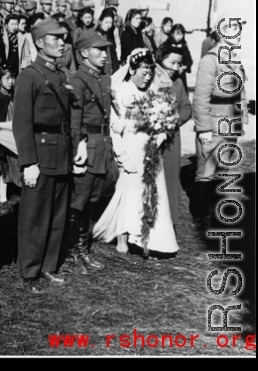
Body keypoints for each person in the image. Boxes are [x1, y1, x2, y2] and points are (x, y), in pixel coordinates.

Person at [93, 48, 179, 260]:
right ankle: (123, 240)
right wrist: (123, 156)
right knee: (128, 192)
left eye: (150, 72)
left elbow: (161, 118)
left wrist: (160, 135)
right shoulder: (122, 91)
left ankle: (149, 239)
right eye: (143, 71)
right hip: (130, 148)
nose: (147, 76)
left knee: (151, 192)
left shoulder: (152, 92)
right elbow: (115, 128)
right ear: (131, 69)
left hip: (150, 149)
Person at [13, 19, 71, 293]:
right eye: (55, 38)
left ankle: (48, 265)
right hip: (41, 152)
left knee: (57, 215)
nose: (62, 42)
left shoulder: (59, 74)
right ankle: (29, 271)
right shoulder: (29, 76)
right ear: (38, 42)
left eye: (63, 38)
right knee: (35, 216)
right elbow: (22, 123)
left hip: (61, 152)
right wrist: (29, 162)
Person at [64, 31, 115, 274]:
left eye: (105, 50)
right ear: (84, 53)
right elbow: (74, 122)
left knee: (92, 200)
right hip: (87, 145)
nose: (105, 54)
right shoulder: (77, 80)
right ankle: (73, 252)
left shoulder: (103, 78)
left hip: (102, 144)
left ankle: (83, 250)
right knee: (79, 202)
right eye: (99, 50)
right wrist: (78, 148)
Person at [191, 15, 249, 220]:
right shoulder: (210, 60)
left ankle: (217, 208)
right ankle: (200, 214)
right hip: (213, 122)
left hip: (230, 120)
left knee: (224, 164)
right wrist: (203, 128)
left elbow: (240, 90)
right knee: (206, 168)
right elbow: (200, 97)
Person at [155, 44, 192, 226]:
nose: (175, 68)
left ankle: (169, 225)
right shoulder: (148, 80)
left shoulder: (178, 82)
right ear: (160, 60)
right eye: (172, 63)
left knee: (170, 180)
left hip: (172, 139)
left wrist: (175, 119)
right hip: (151, 139)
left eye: (178, 64)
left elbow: (186, 107)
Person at [0, 64, 20, 202]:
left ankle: (5, 193)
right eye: (7, 78)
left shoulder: (15, 96)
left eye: (13, 78)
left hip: (11, 136)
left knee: (8, 165)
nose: (11, 81)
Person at [161, 23, 193, 93]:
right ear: (172, 34)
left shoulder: (184, 46)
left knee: (181, 92)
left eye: (181, 34)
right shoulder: (166, 46)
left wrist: (185, 66)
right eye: (177, 34)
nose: (179, 37)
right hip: (169, 74)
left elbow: (189, 60)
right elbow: (160, 59)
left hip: (181, 74)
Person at [95, 8, 119, 74]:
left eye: (110, 23)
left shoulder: (110, 35)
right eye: (106, 22)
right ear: (100, 21)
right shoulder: (96, 35)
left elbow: (113, 54)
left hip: (111, 70)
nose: (108, 25)